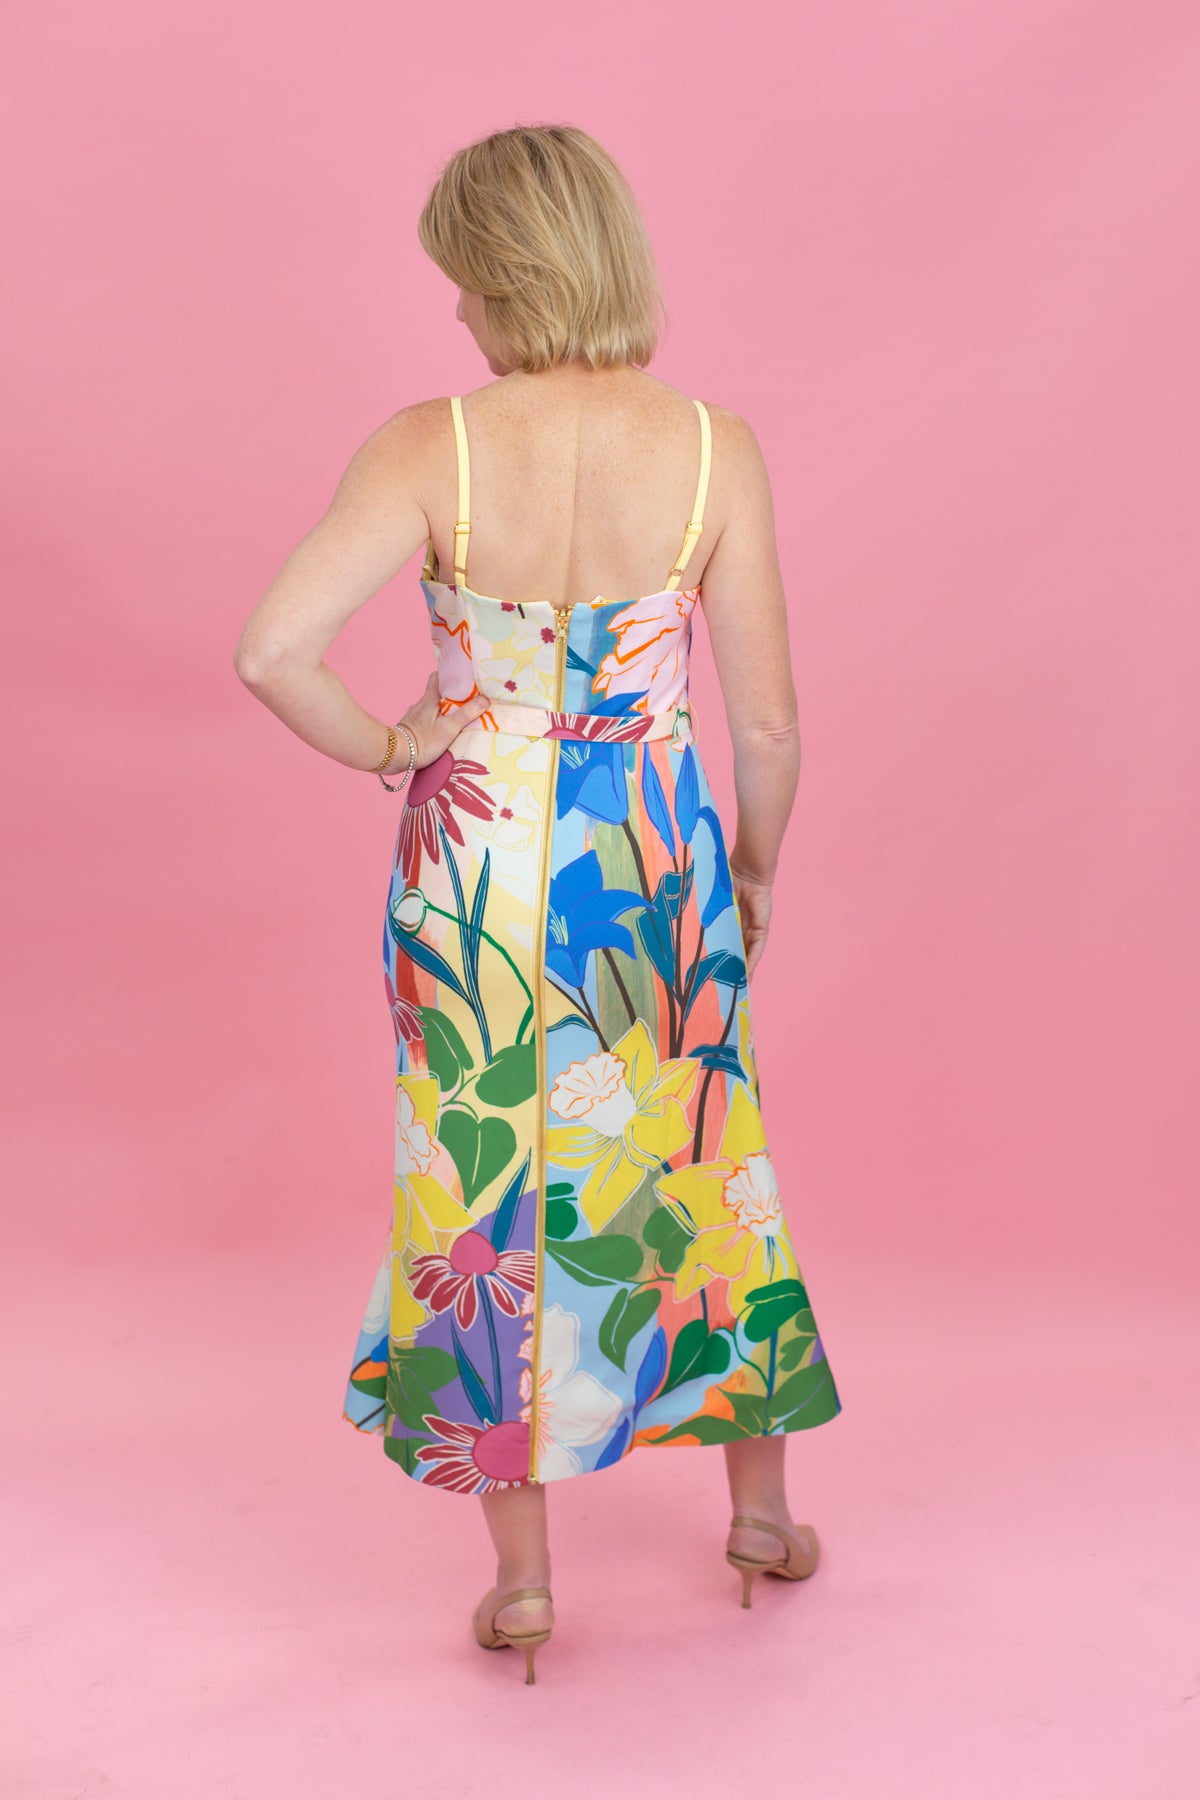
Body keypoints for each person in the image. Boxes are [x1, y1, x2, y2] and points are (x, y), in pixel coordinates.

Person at [234, 122, 842, 1685]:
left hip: (475, 865)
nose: (452, 316)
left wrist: (392, 746)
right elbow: (765, 723)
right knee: (700, 1164)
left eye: (459, 282)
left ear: (502, 278)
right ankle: (762, 1517)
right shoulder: (717, 447)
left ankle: (521, 1585)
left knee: (483, 1189)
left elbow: (270, 650)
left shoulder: (428, 440)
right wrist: (755, 867)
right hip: (649, 864)